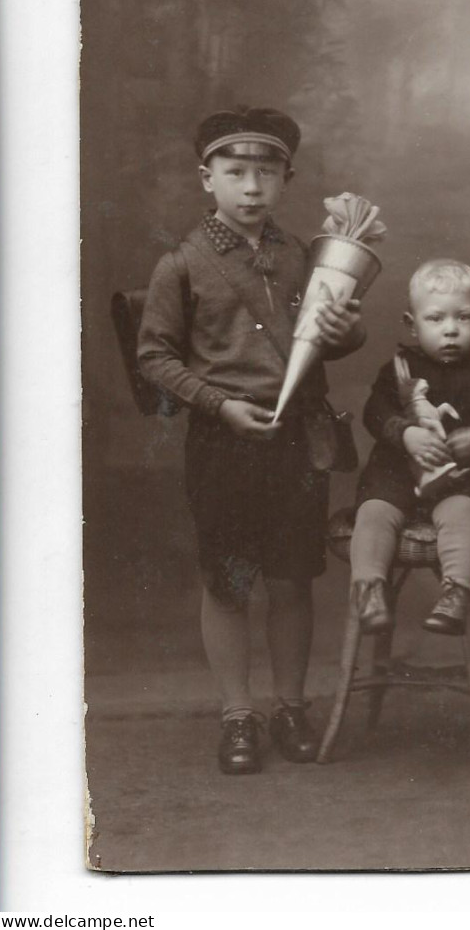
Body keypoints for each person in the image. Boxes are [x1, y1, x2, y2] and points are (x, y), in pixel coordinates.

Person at [137, 106, 365, 775]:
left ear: (285, 179)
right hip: (224, 440)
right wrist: (219, 403)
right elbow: (154, 357)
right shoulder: (180, 264)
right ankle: (237, 713)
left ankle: (289, 705)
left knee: (292, 577)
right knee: (230, 581)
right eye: (234, 172)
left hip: (296, 437)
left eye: (266, 173)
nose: (250, 188)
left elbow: (331, 342)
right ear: (205, 178)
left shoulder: (302, 255)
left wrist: (346, 326)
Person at [349, 259, 470, 636]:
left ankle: (457, 593)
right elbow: (375, 412)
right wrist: (404, 433)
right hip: (396, 473)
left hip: (459, 479)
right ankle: (369, 590)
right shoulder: (399, 368)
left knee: (462, 514)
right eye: (435, 320)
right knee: (374, 512)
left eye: (463, 319)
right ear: (411, 324)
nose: (450, 330)